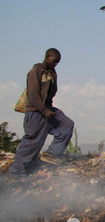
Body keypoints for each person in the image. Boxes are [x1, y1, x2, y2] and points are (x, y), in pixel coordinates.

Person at [9, 48, 75, 179]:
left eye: (58, 63)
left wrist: (48, 110)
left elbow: (53, 91)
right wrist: (44, 111)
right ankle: (17, 173)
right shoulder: (36, 71)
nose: (56, 64)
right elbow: (33, 95)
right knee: (33, 142)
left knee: (67, 124)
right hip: (35, 111)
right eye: (54, 61)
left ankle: (52, 154)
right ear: (47, 57)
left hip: (48, 110)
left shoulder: (52, 73)